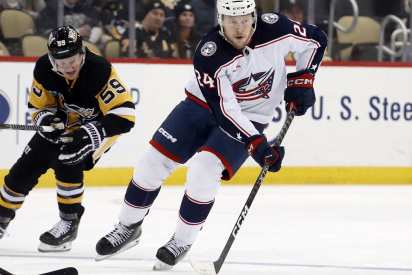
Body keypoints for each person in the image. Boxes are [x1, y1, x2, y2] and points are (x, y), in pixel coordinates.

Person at [93, 0, 327, 270]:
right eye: (230, 20)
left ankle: (181, 241)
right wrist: (258, 144)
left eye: (243, 19)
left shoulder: (277, 28)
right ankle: (127, 227)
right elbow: (225, 110)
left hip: (252, 115)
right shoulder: (209, 52)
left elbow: (316, 40)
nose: (238, 27)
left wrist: (304, 77)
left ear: (254, 17)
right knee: (151, 162)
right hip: (201, 105)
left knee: (204, 170)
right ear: (220, 19)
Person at [0, 25, 136, 252]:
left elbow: (126, 115)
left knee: (68, 158)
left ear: (81, 53)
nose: (67, 66)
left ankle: (68, 223)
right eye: (61, 61)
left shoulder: (99, 69)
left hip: (98, 127)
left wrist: (86, 133)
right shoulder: (44, 68)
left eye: (72, 59)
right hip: (63, 124)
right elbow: (38, 107)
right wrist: (46, 121)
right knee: (23, 169)